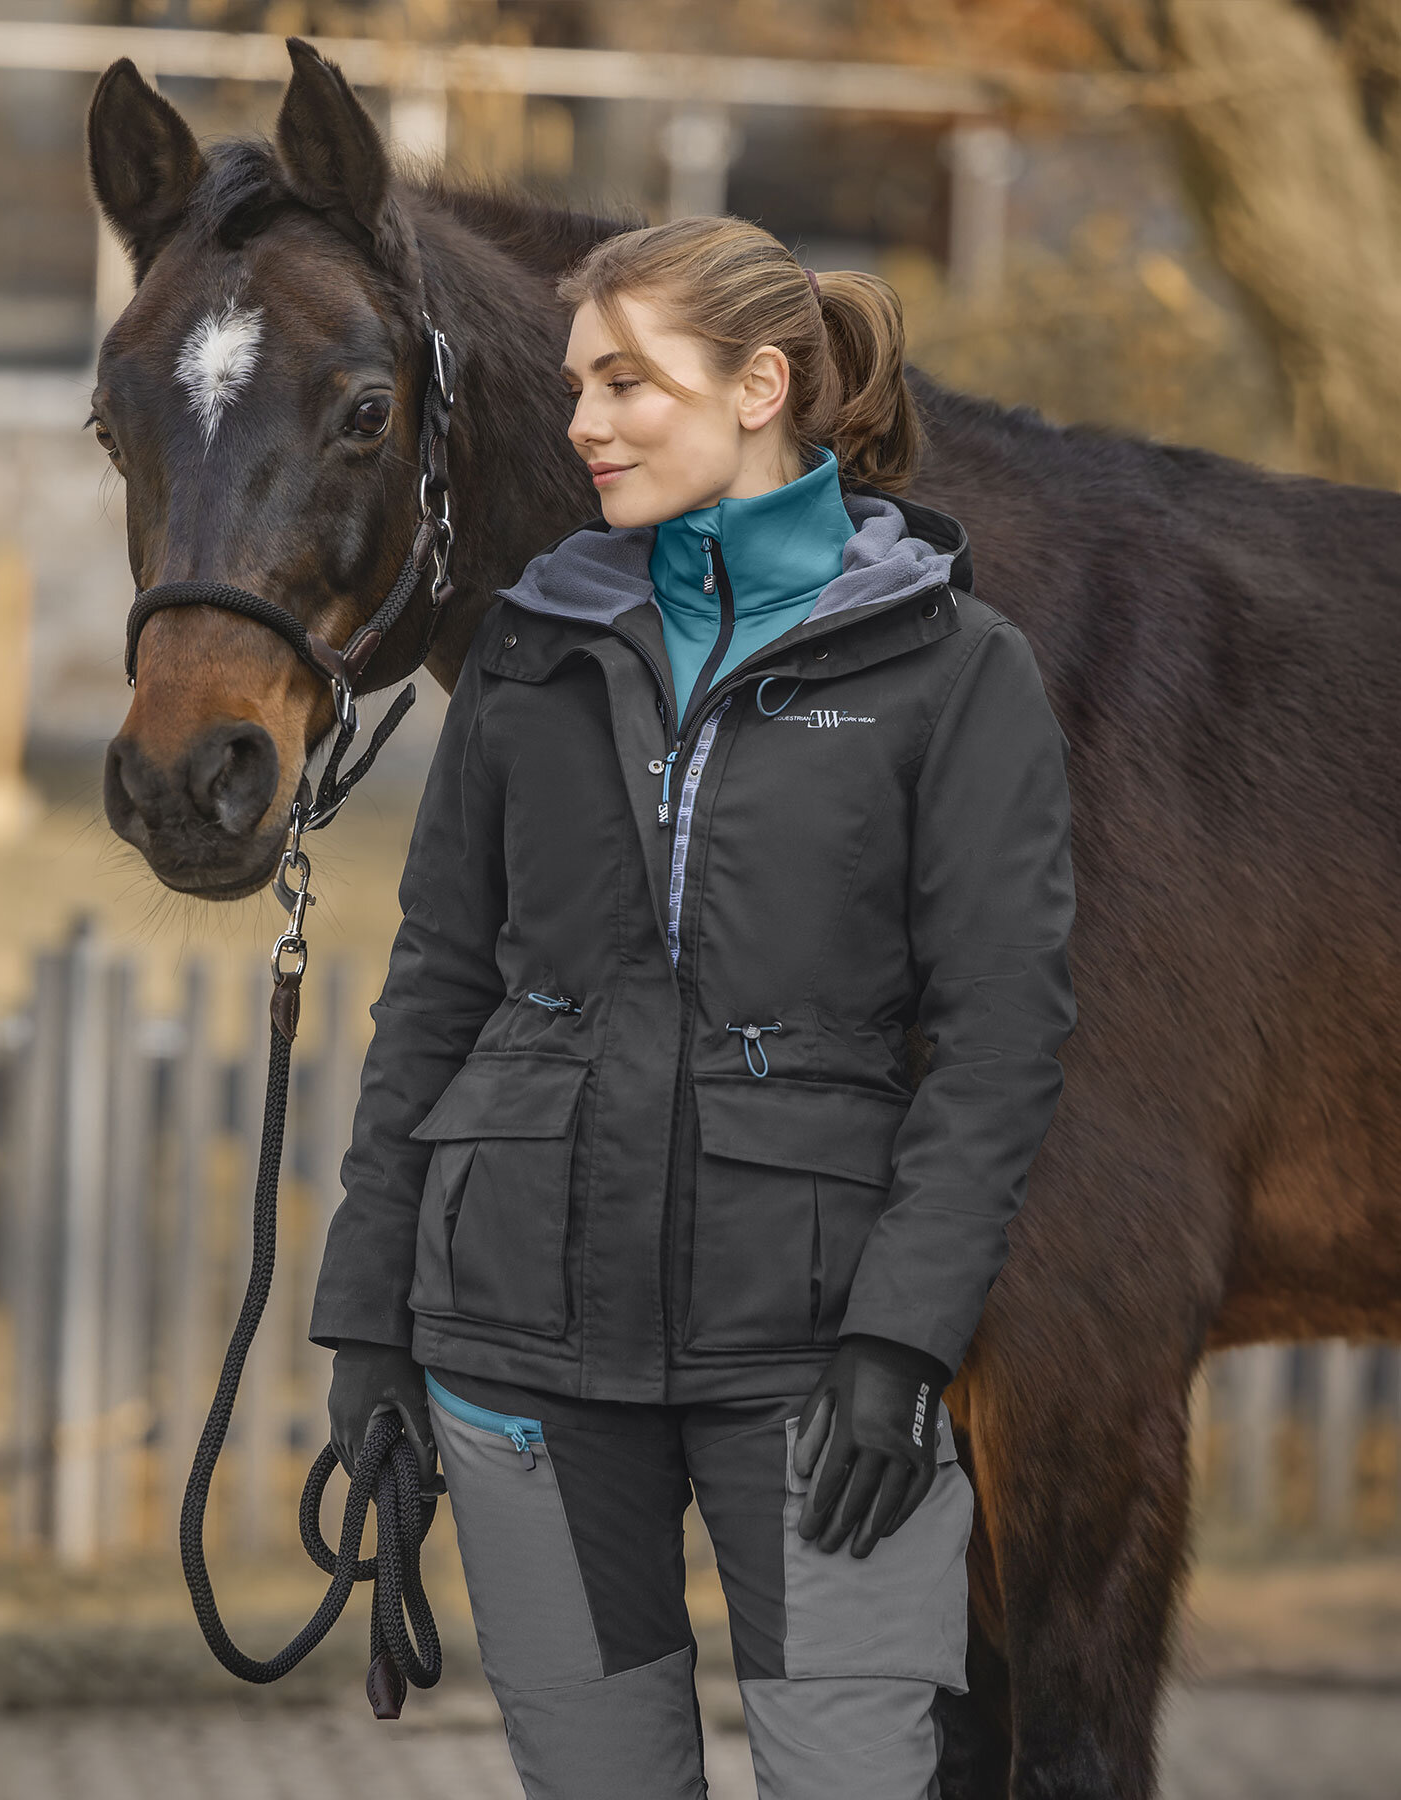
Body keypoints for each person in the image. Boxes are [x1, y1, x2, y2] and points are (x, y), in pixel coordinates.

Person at [310, 215, 1077, 1800]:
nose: (581, 423)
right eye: (580, 384)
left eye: (626, 385)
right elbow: (439, 987)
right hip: (516, 1346)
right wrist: (367, 1315)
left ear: (759, 388)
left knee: (857, 1775)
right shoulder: (529, 647)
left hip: (816, 1373)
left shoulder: (952, 667)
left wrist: (901, 1337)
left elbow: (1002, 1037)